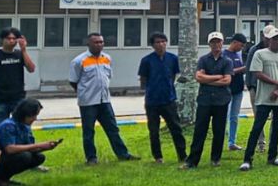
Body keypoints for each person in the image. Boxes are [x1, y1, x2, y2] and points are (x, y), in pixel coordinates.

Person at [72, 32, 137, 165]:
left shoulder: (107, 58)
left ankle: (123, 154)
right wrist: (84, 93)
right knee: (89, 131)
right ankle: (91, 158)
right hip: (88, 102)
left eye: (101, 42)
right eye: (96, 42)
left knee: (113, 129)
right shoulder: (79, 61)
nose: (99, 45)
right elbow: (73, 81)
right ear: (88, 44)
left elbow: (108, 76)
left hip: (105, 100)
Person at [241, 27, 278, 171]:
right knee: (257, 127)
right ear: (269, 40)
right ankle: (247, 159)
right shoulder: (259, 53)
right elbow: (257, 73)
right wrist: (277, 84)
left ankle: (272, 156)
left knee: (277, 128)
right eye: (275, 39)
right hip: (264, 98)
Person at [184, 32, 233, 169]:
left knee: (219, 131)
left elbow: (227, 81)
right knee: (200, 130)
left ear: (222, 43)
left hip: (221, 100)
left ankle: (215, 159)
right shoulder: (203, 59)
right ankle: (192, 161)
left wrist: (208, 80)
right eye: (213, 42)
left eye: (218, 41)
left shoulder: (227, 61)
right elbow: (199, 77)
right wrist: (218, 77)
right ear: (209, 44)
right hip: (204, 100)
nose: (216, 44)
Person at [138, 32, 187, 164]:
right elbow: (143, 79)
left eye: (163, 41)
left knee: (176, 128)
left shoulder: (172, 58)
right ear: (153, 45)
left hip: (169, 100)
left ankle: (182, 155)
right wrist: (149, 90)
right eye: (157, 42)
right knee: (154, 131)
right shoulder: (147, 60)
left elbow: (174, 75)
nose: (161, 44)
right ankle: (158, 157)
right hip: (152, 101)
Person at [0, 99, 57, 186]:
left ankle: (5, 178)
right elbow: (9, 149)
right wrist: (38, 145)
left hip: (8, 157)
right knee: (25, 156)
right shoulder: (8, 126)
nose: (35, 119)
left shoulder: (25, 127)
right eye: (34, 115)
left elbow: (29, 148)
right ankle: (0, 179)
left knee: (38, 157)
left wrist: (45, 147)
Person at [0, 27, 36, 124]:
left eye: (14, 38)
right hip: (0, 99)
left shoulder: (20, 54)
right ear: (2, 39)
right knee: (2, 126)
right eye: (8, 38)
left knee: (22, 125)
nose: (11, 41)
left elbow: (31, 69)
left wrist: (24, 50)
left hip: (18, 98)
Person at [224, 33, 249, 151]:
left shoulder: (238, 55)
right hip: (227, 90)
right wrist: (242, 69)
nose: (242, 48)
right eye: (241, 45)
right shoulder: (224, 55)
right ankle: (221, 139)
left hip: (238, 90)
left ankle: (232, 142)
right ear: (234, 42)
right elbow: (229, 71)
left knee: (234, 117)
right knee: (224, 116)